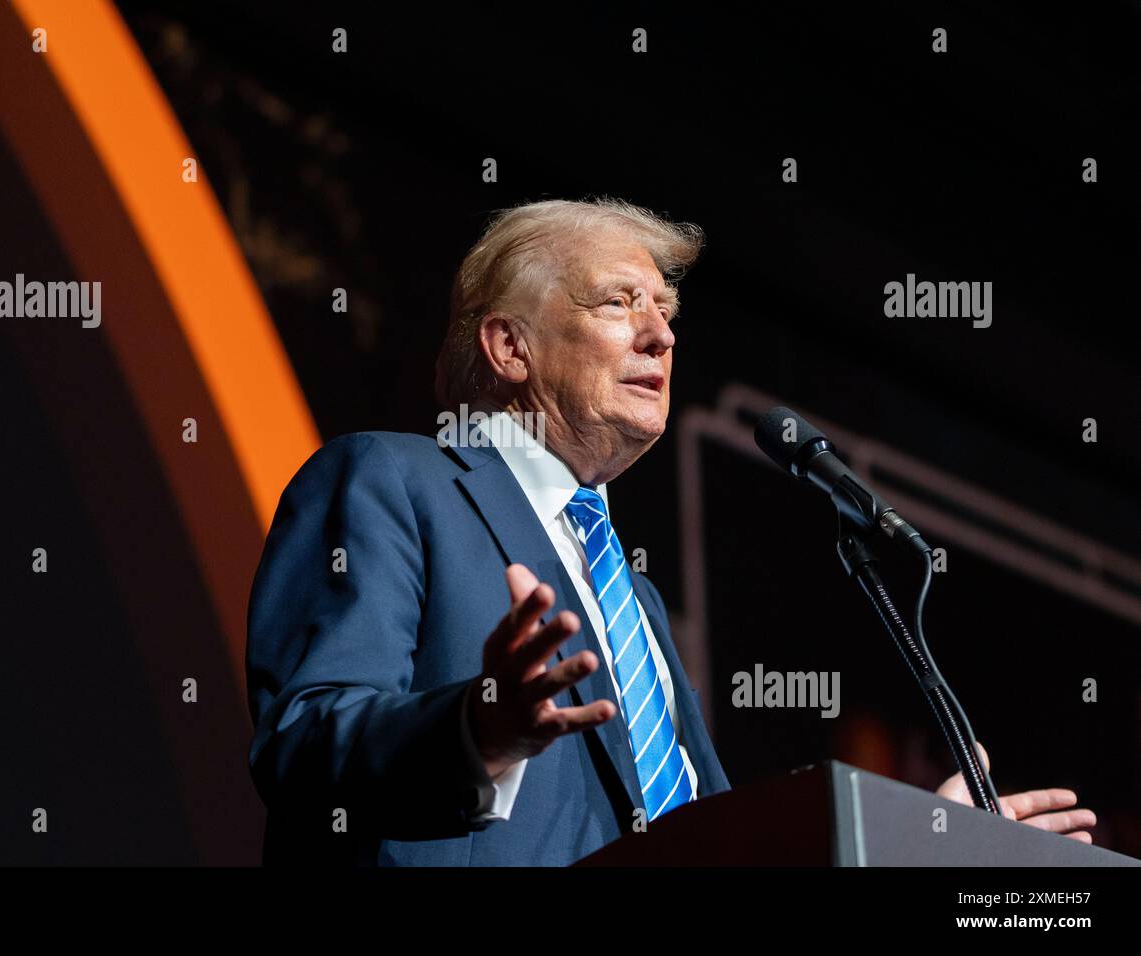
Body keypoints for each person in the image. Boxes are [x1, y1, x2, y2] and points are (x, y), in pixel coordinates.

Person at [245, 197, 1094, 866]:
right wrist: (480, 727)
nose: (660, 334)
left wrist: (899, 845)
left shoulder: (632, 595)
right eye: (620, 303)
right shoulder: (390, 481)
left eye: (667, 313)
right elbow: (303, 746)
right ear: (510, 346)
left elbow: (712, 849)